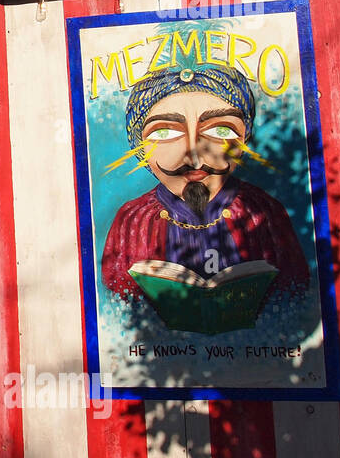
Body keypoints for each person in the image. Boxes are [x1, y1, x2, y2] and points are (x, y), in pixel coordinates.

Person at [100, 63, 308, 305]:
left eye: (220, 130)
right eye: (164, 133)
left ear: (244, 138)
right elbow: (118, 306)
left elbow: (295, 299)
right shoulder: (132, 220)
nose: (195, 158)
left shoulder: (264, 212)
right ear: (140, 146)